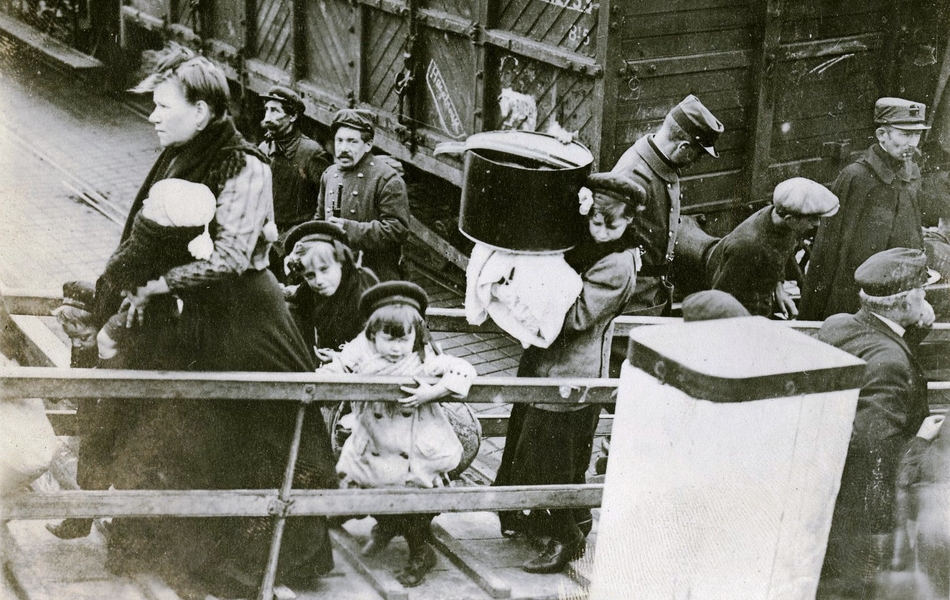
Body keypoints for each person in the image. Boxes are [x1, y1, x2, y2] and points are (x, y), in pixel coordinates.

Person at [98, 43, 337, 598]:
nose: (153, 115)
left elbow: (232, 258)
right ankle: (185, 546)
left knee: (252, 435)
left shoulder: (243, 163)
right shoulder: (182, 150)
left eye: (164, 105)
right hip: (202, 316)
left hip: (246, 320)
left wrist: (157, 286)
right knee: (192, 433)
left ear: (202, 110)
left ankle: (255, 564)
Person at [493, 173, 645, 574]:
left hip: (569, 370)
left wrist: (527, 290)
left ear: (630, 219)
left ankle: (568, 540)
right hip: (545, 363)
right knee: (535, 445)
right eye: (595, 219)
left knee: (550, 456)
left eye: (611, 224)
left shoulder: (617, 264)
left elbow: (576, 318)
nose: (600, 230)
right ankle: (565, 520)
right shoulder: (589, 240)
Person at [317, 281, 476, 587]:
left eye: (404, 340)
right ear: (372, 334)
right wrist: (317, 379)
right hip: (374, 440)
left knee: (409, 499)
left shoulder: (424, 359)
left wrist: (432, 392)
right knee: (363, 483)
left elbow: (463, 370)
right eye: (387, 339)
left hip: (412, 447)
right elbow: (338, 367)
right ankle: (385, 525)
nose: (395, 348)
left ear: (415, 336)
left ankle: (420, 552)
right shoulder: (360, 350)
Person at [817, 248, 935, 598]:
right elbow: (873, 451)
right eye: (921, 292)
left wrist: (913, 330)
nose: (925, 296)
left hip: (825, 489)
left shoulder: (838, 324)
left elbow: (878, 351)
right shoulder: (891, 363)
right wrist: (921, 441)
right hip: (865, 519)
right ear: (901, 303)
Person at [801, 98, 931, 321]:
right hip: (853, 295)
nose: (913, 143)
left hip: (897, 294)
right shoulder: (856, 177)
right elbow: (829, 248)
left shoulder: (911, 173)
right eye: (905, 134)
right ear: (882, 135)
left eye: (917, 135)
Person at [610, 94, 723, 317]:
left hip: (651, 293)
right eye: (697, 155)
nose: (695, 162)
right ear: (683, 147)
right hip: (632, 299)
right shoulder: (634, 176)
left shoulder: (661, 163)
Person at [705, 177, 839, 317]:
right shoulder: (748, 246)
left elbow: (778, 255)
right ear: (790, 219)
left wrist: (779, 287)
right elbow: (720, 299)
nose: (817, 223)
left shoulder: (784, 222)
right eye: (812, 218)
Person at [316, 108, 410, 281]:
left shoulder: (387, 179)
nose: (343, 148)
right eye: (339, 140)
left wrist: (348, 229)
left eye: (352, 142)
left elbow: (397, 230)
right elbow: (319, 218)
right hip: (337, 271)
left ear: (368, 144)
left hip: (374, 275)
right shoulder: (329, 174)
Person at [45, 281, 106, 540]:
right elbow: (77, 371)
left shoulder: (109, 347)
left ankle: (108, 522)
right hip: (93, 414)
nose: (79, 345)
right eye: (73, 339)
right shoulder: (82, 346)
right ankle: (79, 523)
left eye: (84, 338)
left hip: (111, 415)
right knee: (90, 469)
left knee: (108, 470)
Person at [283, 220, 379, 364]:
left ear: (341, 261)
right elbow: (296, 294)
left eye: (324, 269)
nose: (319, 281)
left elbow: (378, 344)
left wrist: (342, 358)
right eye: (310, 275)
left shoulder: (362, 291)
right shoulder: (309, 291)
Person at [258, 85, 332, 234]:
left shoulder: (311, 152)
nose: (268, 116)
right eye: (267, 109)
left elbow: (326, 202)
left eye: (274, 110)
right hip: (267, 232)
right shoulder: (264, 148)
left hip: (297, 235)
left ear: (293, 116)